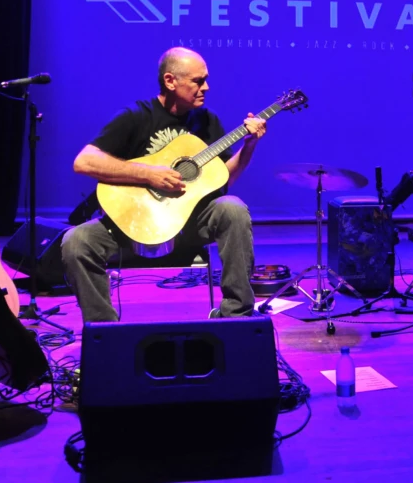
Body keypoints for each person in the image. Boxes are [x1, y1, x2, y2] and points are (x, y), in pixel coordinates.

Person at [60, 47, 267, 322]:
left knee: (233, 208)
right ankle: (104, 331)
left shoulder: (207, 121)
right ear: (170, 81)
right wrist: (148, 174)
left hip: (189, 225)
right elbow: (84, 162)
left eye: (205, 80)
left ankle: (236, 318)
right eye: (198, 81)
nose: (206, 87)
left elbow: (224, 177)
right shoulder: (135, 116)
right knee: (76, 241)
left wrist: (249, 145)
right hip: (132, 226)